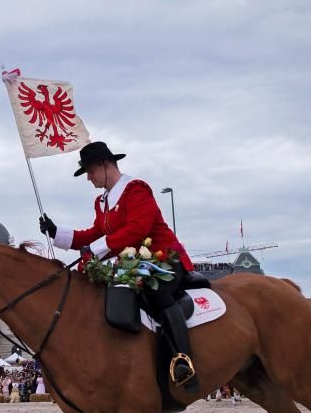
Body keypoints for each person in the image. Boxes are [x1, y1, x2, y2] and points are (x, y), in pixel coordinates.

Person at [39, 140, 197, 387]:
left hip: (162, 258)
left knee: (157, 291)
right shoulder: (102, 202)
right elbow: (94, 233)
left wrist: (95, 249)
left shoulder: (136, 189)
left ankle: (182, 360)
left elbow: (137, 230)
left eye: (90, 171)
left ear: (104, 165)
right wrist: (57, 232)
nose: (88, 178)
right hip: (131, 262)